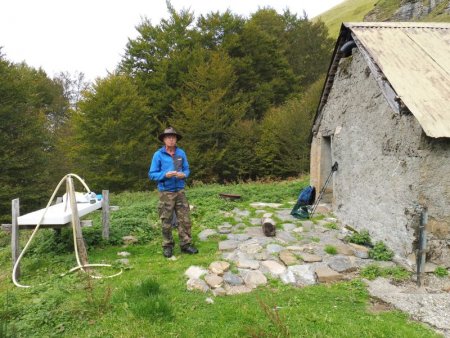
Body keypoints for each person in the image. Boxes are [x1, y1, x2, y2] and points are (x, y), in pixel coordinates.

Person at [148, 127, 198, 258]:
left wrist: (184, 175)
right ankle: (167, 246)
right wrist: (165, 174)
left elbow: (187, 170)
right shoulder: (158, 154)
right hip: (166, 192)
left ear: (176, 139)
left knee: (185, 219)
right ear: (164, 139)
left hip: (180, 191)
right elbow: (152, 174)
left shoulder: (181, 153)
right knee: (166, 220)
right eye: (168, 137)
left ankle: (186, 244)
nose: (171, 139)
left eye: (173, 137)